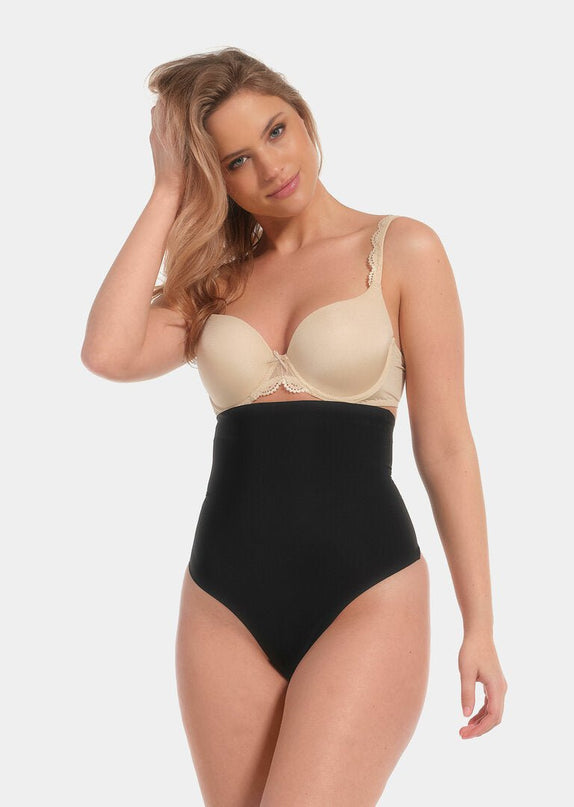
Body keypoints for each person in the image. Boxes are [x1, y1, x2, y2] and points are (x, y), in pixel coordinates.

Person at [81, 46, 507, 806]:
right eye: (236, 161)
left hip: (367, 592)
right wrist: (168, 188)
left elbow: (445, 444)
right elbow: (108, 352)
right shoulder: (215, 281)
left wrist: (481, 624)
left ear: (304, 119)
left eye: (276, 131)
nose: (271, 167)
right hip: (222, 602)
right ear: (217, 177)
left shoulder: (403, 249)